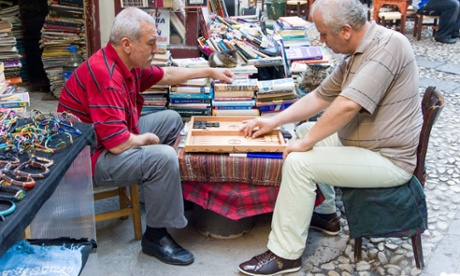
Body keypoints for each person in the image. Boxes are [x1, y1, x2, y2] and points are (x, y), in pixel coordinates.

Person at [237, 0, 423, 275]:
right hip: (366, 143)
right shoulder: (358, 51)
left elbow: (347, 105)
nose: (322, 41)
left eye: (324, 34)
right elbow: (321, 96)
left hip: (388, 158)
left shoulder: (388, 47)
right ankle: (326, 216)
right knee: (301, 131)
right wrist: (273, 121)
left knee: (299, 162)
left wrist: (305, 143)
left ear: (345, 31)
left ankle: (284, 255)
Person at [57, 7, 233, 266]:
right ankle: (156, 236)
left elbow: (168, 75)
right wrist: (145, 140)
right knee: (162, 157)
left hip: (109, 137)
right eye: (151, 44)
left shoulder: (127, 62)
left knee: (171, 119)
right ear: (127, 44)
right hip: (88, 158)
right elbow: (117, 144)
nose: (155, 50)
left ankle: (166, 196)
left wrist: (209, 71)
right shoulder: (105, 74)